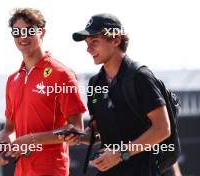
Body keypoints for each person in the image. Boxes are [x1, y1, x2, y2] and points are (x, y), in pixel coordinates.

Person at [66, 13, 182, 176]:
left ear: (116, 40)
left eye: (94, 42)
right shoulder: (94, 83)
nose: (88, 49)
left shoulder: (140, 77)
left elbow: (162, 129)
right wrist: (79, 136)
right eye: (87, 43)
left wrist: (121, 154)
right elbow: (99, 133)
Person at [0, 8, 86, 176]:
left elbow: (77, 128)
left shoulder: (62, 74)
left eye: (29, 31)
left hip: (51, 169)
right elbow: (9, 129)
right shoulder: (13, 79)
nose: (23, 37)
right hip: (21, 170)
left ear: (42, 32)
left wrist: (31, 140)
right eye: (17, 32)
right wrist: (0, 142)